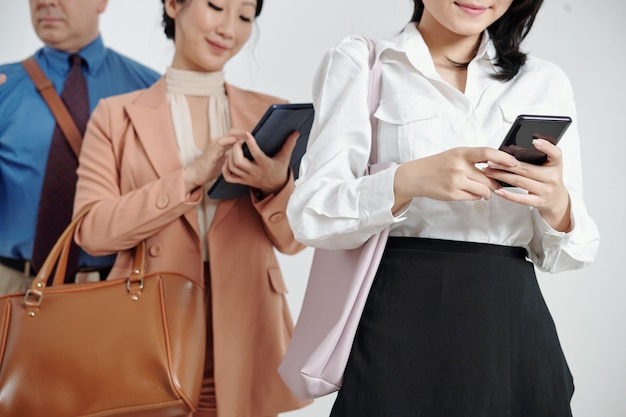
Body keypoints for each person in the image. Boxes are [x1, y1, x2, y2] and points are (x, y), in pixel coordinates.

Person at [286, 0, 600, 416]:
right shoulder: (364, 63)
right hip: (401, 321)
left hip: (512, 327)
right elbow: (309, 215)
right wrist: (409, 180)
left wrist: (557, 203)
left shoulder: (544, 81)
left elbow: (572, 253)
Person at [72, 0, 310, 416]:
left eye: (244, 18)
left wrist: (275, 186)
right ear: (174, 4)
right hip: (147, 320)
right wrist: (189, 176)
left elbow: (294, 242)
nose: (229, 29)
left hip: (247, 321)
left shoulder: (269, 114)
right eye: (217, 6)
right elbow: (91, 231)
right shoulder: (115, 116)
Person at [0, 0, 160, 295]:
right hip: (10, 286)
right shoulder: (4, 87)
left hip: (113, 288)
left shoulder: (150, 90)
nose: (46, 2)